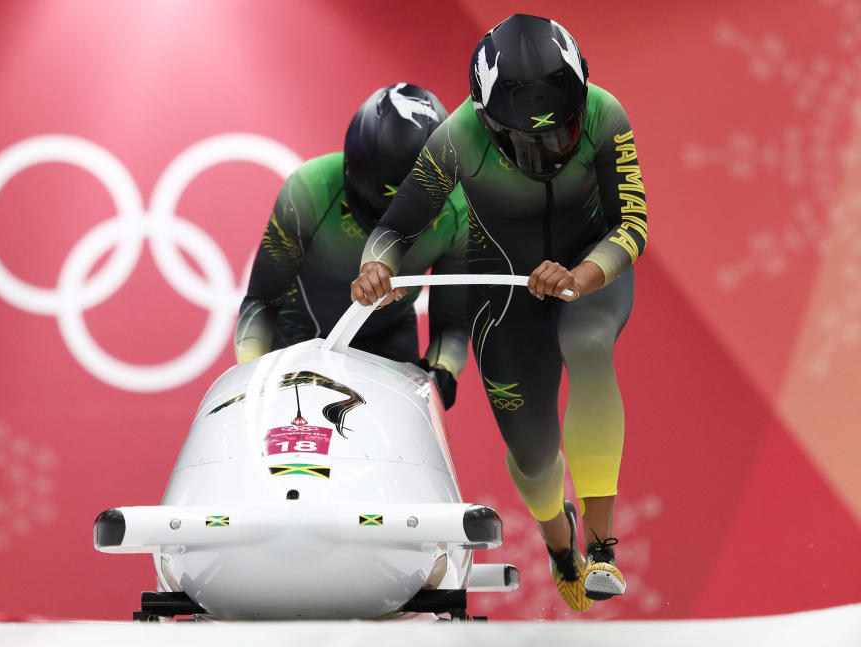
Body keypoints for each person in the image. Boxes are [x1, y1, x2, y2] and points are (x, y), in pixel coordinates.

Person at [351, 15, 646, 612]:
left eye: (562, 134)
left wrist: (581, 275)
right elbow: (394, 229)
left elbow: (630, 224)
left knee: (588, 345)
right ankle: (561, 543)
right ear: (488, 123)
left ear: (580, 101)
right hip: (505, 289)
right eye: (525, 142)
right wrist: (374, 268)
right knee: (534, 454)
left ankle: (602, 546)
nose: (548, 152)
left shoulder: (606, 115)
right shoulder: (455, 138)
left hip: (588, 275)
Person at [235, 83, 469, 407]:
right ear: (350, 176)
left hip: (388, 340)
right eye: (378, 208)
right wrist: (253, 374)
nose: (389, 224)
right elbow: (261, 301)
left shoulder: (458, 216)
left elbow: (452, 325)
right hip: (298, 335)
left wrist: (440, 372)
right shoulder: (310, 190)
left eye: (409, 214)